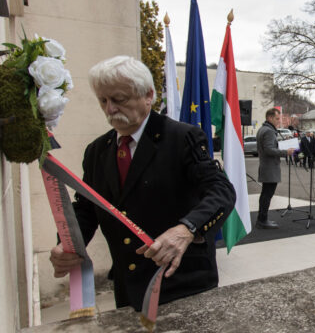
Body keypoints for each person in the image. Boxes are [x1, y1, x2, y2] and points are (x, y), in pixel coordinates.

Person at [49, 56, 236, 311]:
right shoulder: (97, 151)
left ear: (148, 95)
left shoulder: (183, 138)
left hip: (182, 284)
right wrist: (68, 244)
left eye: (119, 99)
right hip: (129, 288)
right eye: (103, 100)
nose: (109, 109)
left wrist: (186, 229)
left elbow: (221, 191)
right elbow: (86, 208)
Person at [256, 108, 295, 229]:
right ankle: (262, 220)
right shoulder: (268, 131)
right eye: (277, 119)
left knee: (265, 195)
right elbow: (268, 149)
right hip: (270, 168)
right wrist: (285, 152)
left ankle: (262, 219)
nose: (279, 121)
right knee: (267, 195)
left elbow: (270, 146)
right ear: (270, 118)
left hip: (267, 167)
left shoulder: (263, 129)